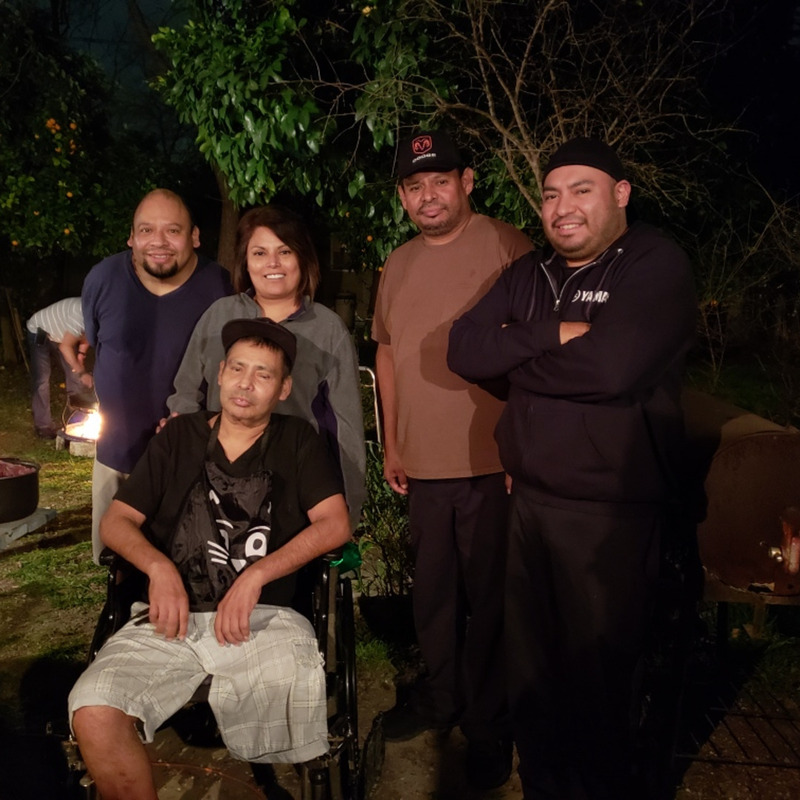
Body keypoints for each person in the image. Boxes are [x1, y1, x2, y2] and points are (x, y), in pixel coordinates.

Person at [447, 137, 697, 800]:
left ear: (620, 194)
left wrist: (516, 359)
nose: (563, 207)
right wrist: (554, 335)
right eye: (552, 194)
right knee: (533, 673)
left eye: (582, 190)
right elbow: (464, 348)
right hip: (528, 503)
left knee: (599, 680)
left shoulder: (653, 263)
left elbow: (613, 368)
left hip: (609, 512)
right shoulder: (529, 273)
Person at [68, 318, 351, 800]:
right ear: (219, 374)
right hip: (169, 618)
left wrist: (256, 576)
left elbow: (335, 524)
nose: (245, 383)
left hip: (265, 620)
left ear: (283, 389)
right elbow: (116, 522)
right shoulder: (177, 437)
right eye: (237, 368)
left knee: (300, 702)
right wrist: (159, 568)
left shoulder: (298, 440)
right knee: (93, 711)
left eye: (263, 374)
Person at [370, 130, 531, 789]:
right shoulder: (397, 263)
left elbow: (535, 349)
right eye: (415, 186)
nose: (428, 195)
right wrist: (393, 440)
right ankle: (443, 700)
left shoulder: (508, 246)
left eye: (440, 180)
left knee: (493, 600)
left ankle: (490, 725)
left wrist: (523, 443)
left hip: (492, 460)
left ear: (467, 181)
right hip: (423, 466)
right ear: (402, 197)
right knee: (432, 595)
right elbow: (385, 352)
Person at [167, 204, 365, 532]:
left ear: (302, 258)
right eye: (259, 253)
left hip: (293, 490)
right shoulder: (219, 316)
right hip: (216, 485)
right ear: (245, 261)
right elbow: (186, 397)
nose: (272, 263)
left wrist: (348, 507)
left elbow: (345, 429)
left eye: (284, 251)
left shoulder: (328, 330)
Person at [82, 188, 231, 562]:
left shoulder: (220, 288)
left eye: (172, 230)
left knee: (188, 567)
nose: (158, 242)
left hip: (192, 461)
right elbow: (97, 340)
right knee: (117, 567)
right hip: (116, 455)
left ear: (194, 236)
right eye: (146, 230)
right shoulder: (103, 279)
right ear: (131, 237)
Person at [25, 297, 94, 438]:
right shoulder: (80, 314)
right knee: (42, 378)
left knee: (74, 374)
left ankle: (77, 420)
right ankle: (43, 426)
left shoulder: (96, 316)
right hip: (39, 330)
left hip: (61, 334)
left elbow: (87, 335)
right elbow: (65, 347)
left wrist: (81, 355)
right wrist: (82, 372)